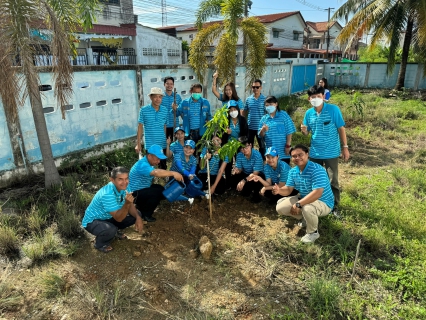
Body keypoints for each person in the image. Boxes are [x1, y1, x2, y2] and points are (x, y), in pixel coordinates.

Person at [301, 85, 350, 213]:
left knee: (332, 180)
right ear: (309, 99)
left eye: (318, 96)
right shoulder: (308, 113)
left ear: (323, 97)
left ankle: (334, 206)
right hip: (315, 153)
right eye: (313, 97)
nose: (316, 99)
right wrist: (304, 131)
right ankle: (313, 203)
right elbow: (307, 133)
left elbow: (341, 129)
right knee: (313, 179)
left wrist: (345, 147)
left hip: (331, 153)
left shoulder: (334, 110)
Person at [274, 145, 334, 243]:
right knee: (280, 208)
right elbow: (288, 189)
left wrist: (298, 204)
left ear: (307, 154)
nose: (297, 158)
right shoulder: (293, 171)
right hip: (304, 198)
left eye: (300, 155)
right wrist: (279, 190)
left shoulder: (317, 169)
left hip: (323, 201)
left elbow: (317, 193)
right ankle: (306, 218)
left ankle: (313, 232)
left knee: (307, 208)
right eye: (294, 156)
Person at [81, 167, 144, 253]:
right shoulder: (107, 194)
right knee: (110, 229)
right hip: (92, 221)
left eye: (126, 178)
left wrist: (138, 217)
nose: (124, 182)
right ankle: (100, 243)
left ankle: (114, 232)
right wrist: (126, 203)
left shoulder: (126, 186)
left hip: (109, 216)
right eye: (120, 179)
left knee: (137, 215)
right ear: (112, 180)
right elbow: (119, 218)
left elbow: (130, 205)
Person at [129, 145, 184, 222]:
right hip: (133, 195)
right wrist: (173, 173)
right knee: (157, 192)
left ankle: (142, 207)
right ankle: (146, 215)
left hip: (140, 191)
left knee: (159, 188)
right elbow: (155, 172)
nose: (158, 161)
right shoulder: (142, 164)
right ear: (150, 156)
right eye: (157, 158)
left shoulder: (147, 163)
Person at [135, 87, 168, 170]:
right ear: (151, 97)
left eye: (160, 97)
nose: (158, 99)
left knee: (163, 165)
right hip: (150, 144)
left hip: (162, 143)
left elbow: (164, 126)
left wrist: (166, 141)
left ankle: (163, 181)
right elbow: (140, 127)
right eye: (155, 97)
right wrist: (138, 143)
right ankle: (150, 182)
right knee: (149, 167)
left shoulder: (165, 110)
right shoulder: (143, 110)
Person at [258, 96, 296, 164]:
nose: (269, 106)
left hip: (283, 152)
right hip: (270, 153)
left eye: (271, 104)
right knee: (271, 172)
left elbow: (289, 131)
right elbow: (260, 136)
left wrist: (288, 145)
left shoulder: (284, 115)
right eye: (267, 105)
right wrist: (263, 130)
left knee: (284, 171)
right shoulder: (264, 119)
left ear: (276, 104)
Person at [229, 138, 264, 203]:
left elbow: (255, 173)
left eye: (246, 147)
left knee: (256, 180)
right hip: (246, 174)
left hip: (256, 175)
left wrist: (244, 180)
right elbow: (240, 169)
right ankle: (242, 189)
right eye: (242, 148)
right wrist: (237, 170)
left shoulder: (257, 155)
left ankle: (256, 194)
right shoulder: (239, 155)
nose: (244, 150)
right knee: (233, 178)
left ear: (250, 145)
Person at [221, 100, 248, 182]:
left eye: (234, 109)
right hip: (229, 145)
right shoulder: (225, 121)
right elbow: (221, 135)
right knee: (228, 163)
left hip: (239, 144)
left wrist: (241, 142)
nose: (233, 112)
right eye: (231, 110)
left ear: (237, 109)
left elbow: (246, 133)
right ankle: (228, 180)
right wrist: (226, 133)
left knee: (239, 162)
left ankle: (238, 179)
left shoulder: (242, 120)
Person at [241, 79, 266, 157]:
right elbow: (244, 112)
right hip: (250, 127)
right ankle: (250, 160)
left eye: (257, 87)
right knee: (249, 145)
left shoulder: (264, 99)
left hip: (260, 128)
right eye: (253, 87)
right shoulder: (248, 99)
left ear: (261, 88)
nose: (255, 89)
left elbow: (268, 114)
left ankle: (262, 161)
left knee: (262, 146)